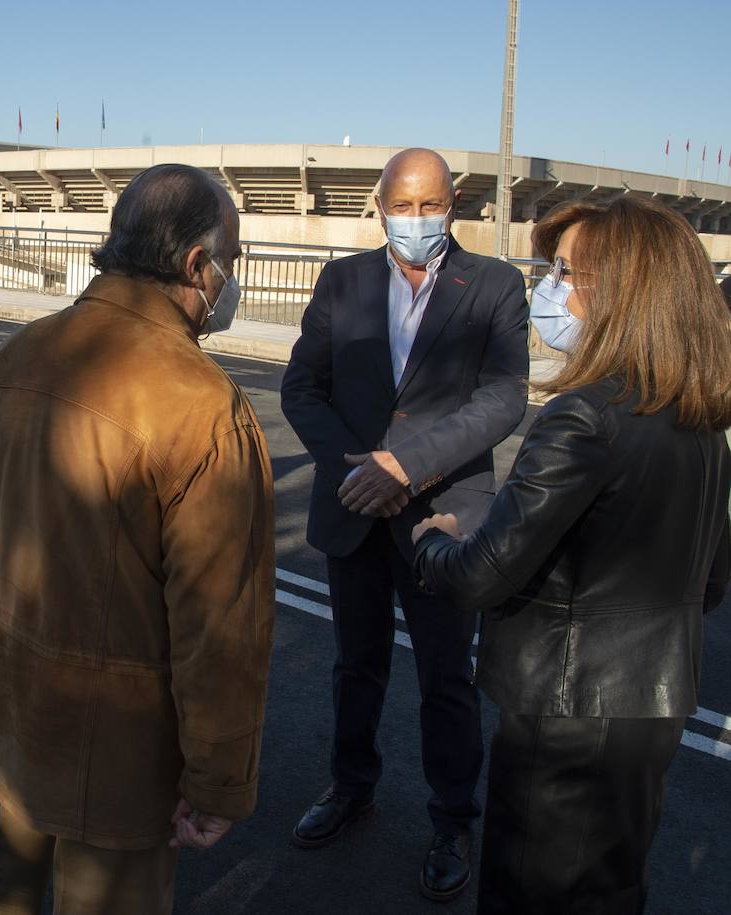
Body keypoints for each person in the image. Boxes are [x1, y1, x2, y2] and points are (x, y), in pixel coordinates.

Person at [0, 164, 277, 914]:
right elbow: (221, 632)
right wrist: (217, 781)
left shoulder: (15, 359)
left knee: (0, 888)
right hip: (123, 766)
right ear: (198, 265)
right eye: (231, 257)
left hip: (17, 723)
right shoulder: (203, 409)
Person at [412, 195, 731, 913]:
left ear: (623, 290)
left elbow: (482, 575)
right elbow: (709, 582)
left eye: (564, 270)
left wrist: (434, 540)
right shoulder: (701, 421)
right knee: (612, 887)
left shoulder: (584, 416)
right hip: (652, 711)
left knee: (530, 890)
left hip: (566, 720)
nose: (548, 288)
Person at [279, 147, 530, 902]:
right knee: (355, 666)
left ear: (455, 205)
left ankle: (453, 818)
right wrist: (361, 470)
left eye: (431, 205)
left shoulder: (494, 284)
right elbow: (301, 388)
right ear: (378, 205)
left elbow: (502, 399)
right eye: (403, 204)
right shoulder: (342, 281)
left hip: (442, 517)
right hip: (355, 510)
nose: (416, 220)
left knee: (447, 680)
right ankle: (351, 787)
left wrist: (403, 466)